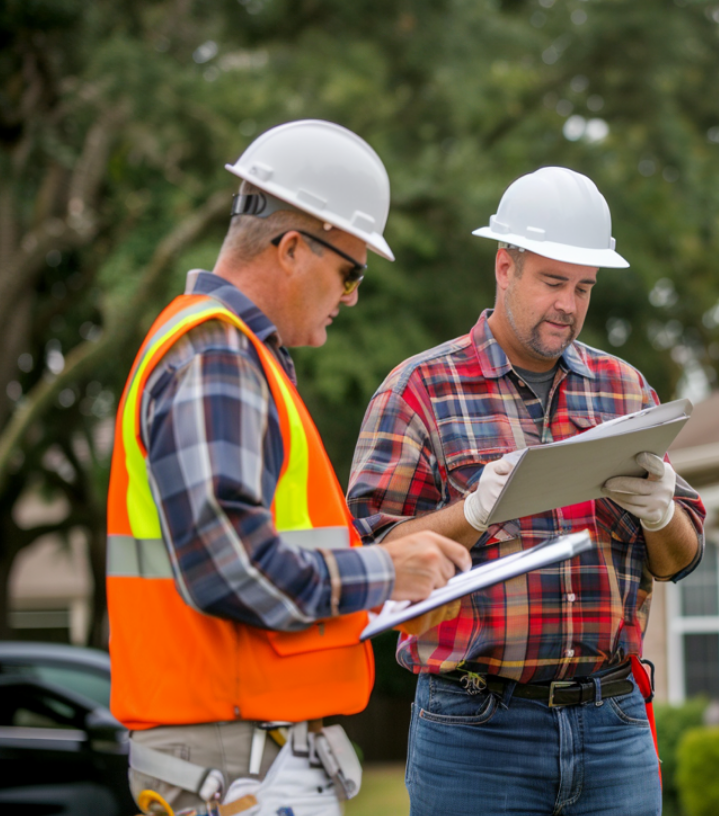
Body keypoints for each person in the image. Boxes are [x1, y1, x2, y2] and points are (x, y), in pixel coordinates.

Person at [106, 120, 471, 816]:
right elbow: (230, 569)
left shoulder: (236, 357)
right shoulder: (217, 356)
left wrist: (393, 596)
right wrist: (387, 573)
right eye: (349, 272)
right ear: (292, 247)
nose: (353, 296)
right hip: (236, 764)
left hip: (239, 756)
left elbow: (271, 561)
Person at [347, 166, 705, 815]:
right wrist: (475, 512)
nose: (567, 304)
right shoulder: (419, 390)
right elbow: (376, 559)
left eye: (583, 287)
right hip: (475, 730)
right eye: (552, 281)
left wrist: (661, 514)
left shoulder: (625, 391)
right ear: (505, 266)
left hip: (613, 723)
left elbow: (682, 558)